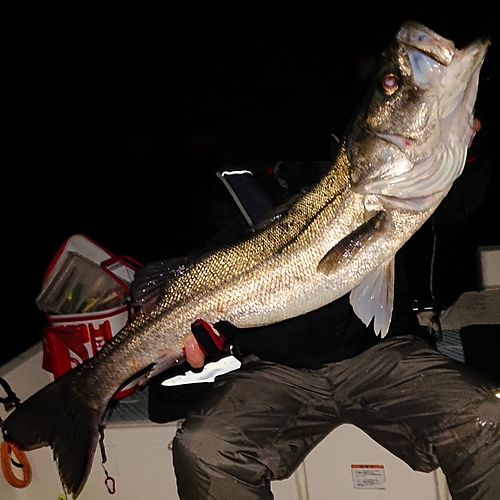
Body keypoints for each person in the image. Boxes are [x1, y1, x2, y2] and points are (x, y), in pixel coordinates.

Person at [131, 119, 499, 499]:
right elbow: (213, 278)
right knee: (204, 449)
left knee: (489, 417)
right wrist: (210, 334)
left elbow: (454, 203)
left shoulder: (357, 149)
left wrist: (461, 145)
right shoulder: (221, 185)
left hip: (382, 352)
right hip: (275, 369)